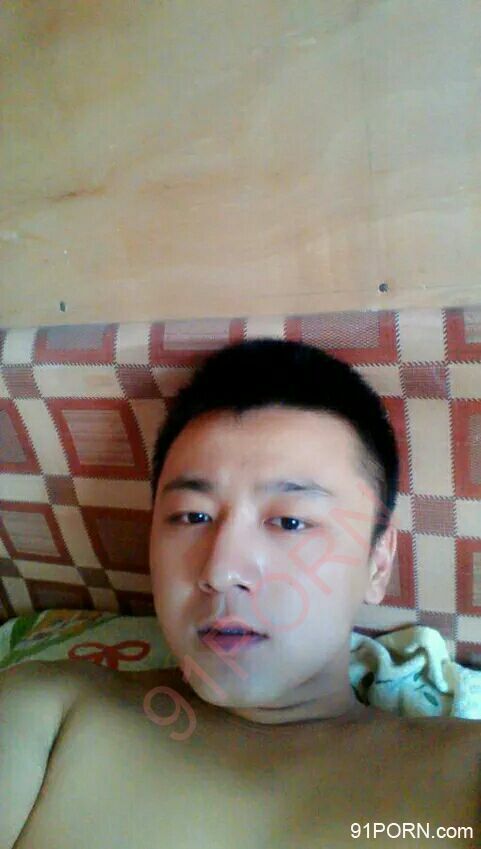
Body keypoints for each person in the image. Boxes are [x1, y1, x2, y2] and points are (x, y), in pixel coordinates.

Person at [1, 339, 479, 849]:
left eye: (290, 522)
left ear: (377, 563)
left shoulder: (461, 777)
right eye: (193, 516)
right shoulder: (49, 714)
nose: (221, 571)